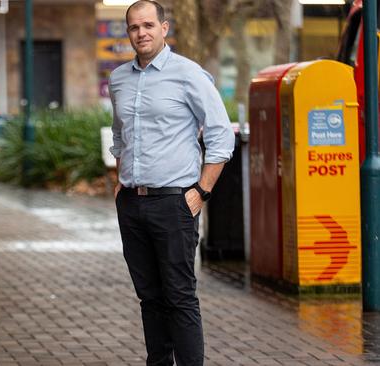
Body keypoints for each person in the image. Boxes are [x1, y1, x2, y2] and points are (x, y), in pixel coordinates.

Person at [109, 1, 235, 365]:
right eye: (134, 27)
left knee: (180, 296)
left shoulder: (189, 74)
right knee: (149, 297)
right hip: (132, 204)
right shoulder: (118, 79)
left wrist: (202, 191)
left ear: (164, 28)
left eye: (148, 25)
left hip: (175, 203)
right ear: (128, 31)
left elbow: (220, 135)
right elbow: (120, 137)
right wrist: (121, 184)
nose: (141, 33)